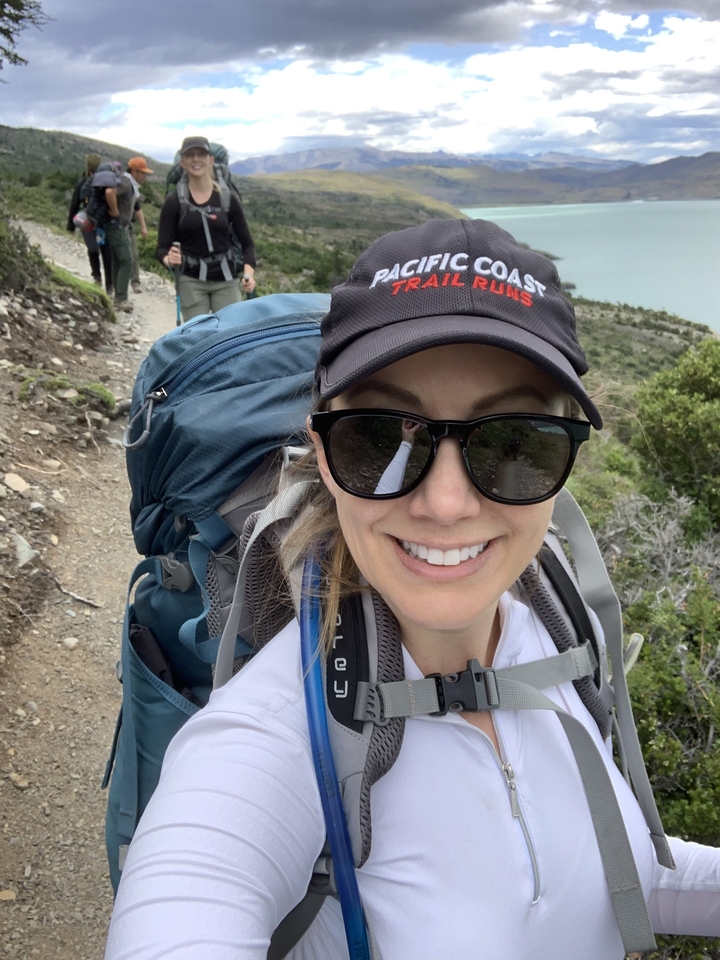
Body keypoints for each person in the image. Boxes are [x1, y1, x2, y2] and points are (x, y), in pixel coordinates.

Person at [104, 219, 720, 959]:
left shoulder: (560, 635)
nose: (448, 503)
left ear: (569, 460)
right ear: (324, 454)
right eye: (381, 438)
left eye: (514, 442)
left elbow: (611, 876)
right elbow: (184, 906)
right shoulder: (275, 729)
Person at [155, 135, 256, 323]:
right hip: (190, 280)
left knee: (230, 336)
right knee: (197, 339)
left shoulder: (227, 198)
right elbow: (161, 248)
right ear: (183, 163)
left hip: (226, 278)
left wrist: (248, 274)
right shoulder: (174, 202)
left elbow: (247, 244)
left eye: (201, 154)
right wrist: (169, 259)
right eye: (190, 155)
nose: (195, 159)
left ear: (210, 160)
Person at [66, 153, 113, 297]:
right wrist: (71, 226)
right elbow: (74, 204)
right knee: (93, 249)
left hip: (103, 222)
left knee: (106, 253)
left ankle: (110, 286)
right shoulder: (81, 183)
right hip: (87, 221)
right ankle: (97, 277)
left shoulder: (105, 182)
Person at [102, 162, 136, 313]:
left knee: (117, 260)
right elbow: (110, 192)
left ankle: (117, 297)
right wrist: (115, 211)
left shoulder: (116, 181)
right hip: (118, 226)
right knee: (127, 260)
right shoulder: (124, 182)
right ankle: (121, 299)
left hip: (110, 226)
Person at [125, 157, 152, 295]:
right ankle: (119, 287)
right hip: (119, 226)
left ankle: (134, 282)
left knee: (132, 254)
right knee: (125, 256)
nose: (145, 176)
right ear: (135, 172)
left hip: (127, 225)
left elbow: (137, 207)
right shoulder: (124, 184)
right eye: (143, 173)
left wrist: (143, 226)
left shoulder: (133, 187)